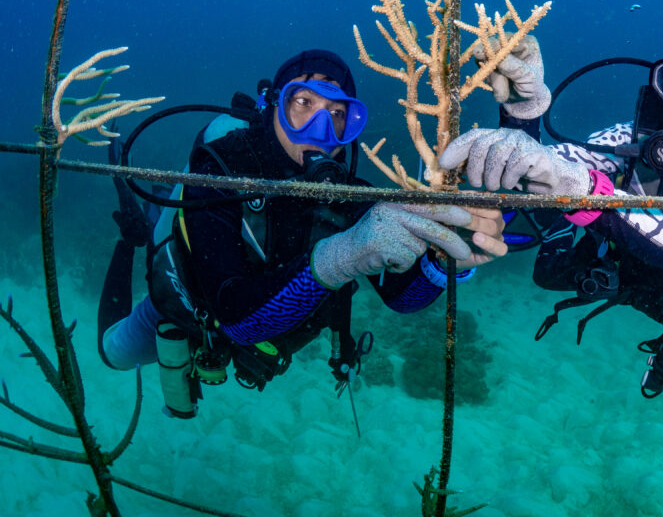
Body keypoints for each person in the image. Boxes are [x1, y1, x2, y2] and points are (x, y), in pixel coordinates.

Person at [99, 49, 506, 417]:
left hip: (263, 332)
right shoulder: (221, 169)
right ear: (275, 105)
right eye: (303, 103)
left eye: (337, 114)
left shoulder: (348, 195)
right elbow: (234, 317)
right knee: (113, 354)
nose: (319, 129)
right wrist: (344, 256)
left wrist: (443, 258)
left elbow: (401, 297)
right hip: (186, 308)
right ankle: (133, 235)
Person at [439, 2, 663, 396]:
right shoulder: (639, 136)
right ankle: (562, 229)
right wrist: (523, 117)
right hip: (626, 268)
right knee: (545, 273)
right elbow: (548, 165)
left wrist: (586, 194)